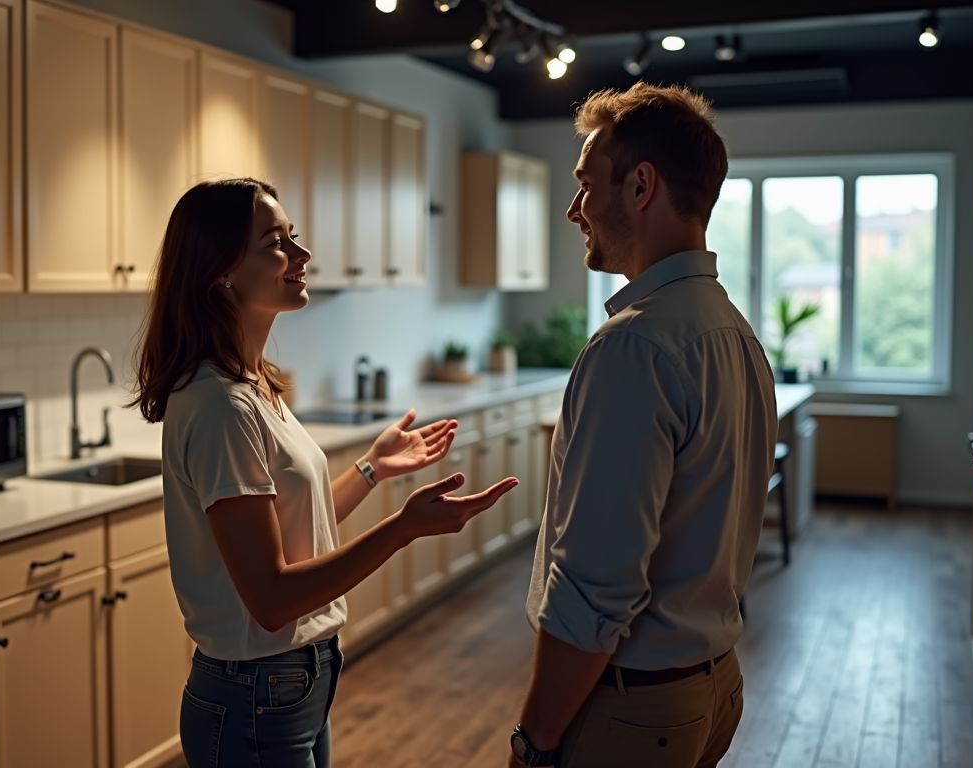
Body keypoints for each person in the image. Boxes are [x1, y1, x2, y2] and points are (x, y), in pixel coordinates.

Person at [130, 178, 519, 768]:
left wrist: (371, 469)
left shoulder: (253, 386)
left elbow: (290, 529)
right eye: (276, 243)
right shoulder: (222, 407)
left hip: (293, 683)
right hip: (256, 693)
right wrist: (404, 528)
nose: (302, 256)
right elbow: (271, 597)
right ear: (221, 272)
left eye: (294, 238)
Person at [506, 84, 778, 768]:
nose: (575, 211)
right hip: (712, 684)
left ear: (640, 187)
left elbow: (597, 585)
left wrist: (533, 742)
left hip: (635, 704)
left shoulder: (634, 345)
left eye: (585, 185)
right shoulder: (731, 330)